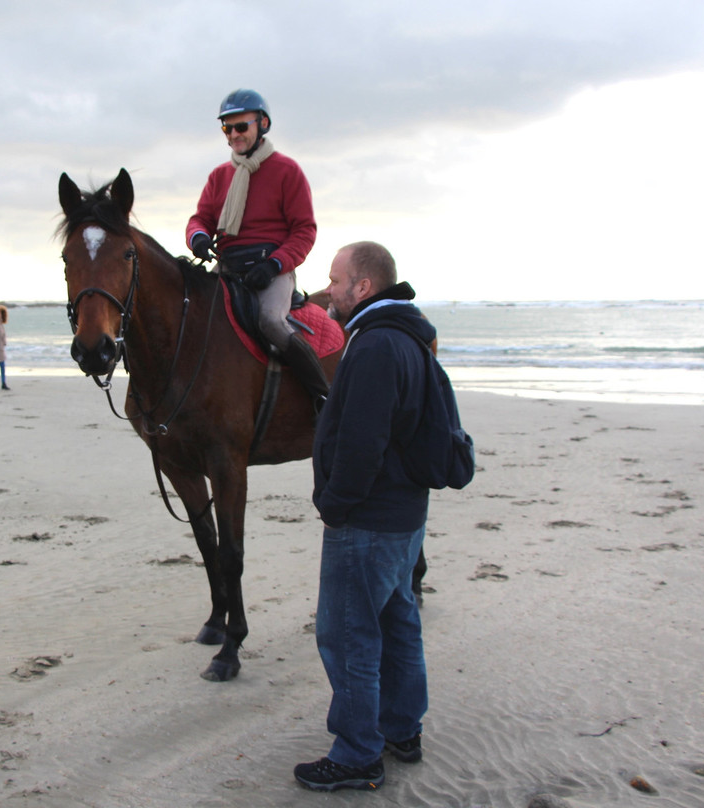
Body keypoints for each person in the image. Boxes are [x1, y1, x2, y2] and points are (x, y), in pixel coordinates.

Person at [295, 241, 432, 792]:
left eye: (335, 280)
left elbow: (362, 441)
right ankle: (401, 729)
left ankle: (357, 754)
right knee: (397, 622)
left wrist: (335, 505)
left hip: (369, 520)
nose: (328, 289)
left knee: (349, 635)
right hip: (403, 514)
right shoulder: (408, 336)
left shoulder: (375, 345)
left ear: (363, 287)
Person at [186, 88, 329, 406]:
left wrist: (275, 265)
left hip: (271, 268)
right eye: (227, 128)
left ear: (262, 123)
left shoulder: (287, 171)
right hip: (227, 266)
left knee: (270, 321)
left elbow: (304, 231)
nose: (234, 134)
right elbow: (200, 219)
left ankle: (322, 397)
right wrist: (197, 237)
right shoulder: (219, 176)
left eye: (241, 126)